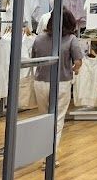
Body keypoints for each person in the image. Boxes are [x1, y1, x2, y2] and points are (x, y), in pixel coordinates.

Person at [30, 9, 84, 163]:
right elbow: (78, 62)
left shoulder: (39, 39)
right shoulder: (71, 39)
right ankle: (49, 157)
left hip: (40, 81)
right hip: (61, 82)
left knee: (44, 118)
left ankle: (43, 154)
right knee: (57, 120)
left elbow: (34, 58)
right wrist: (75, 69)